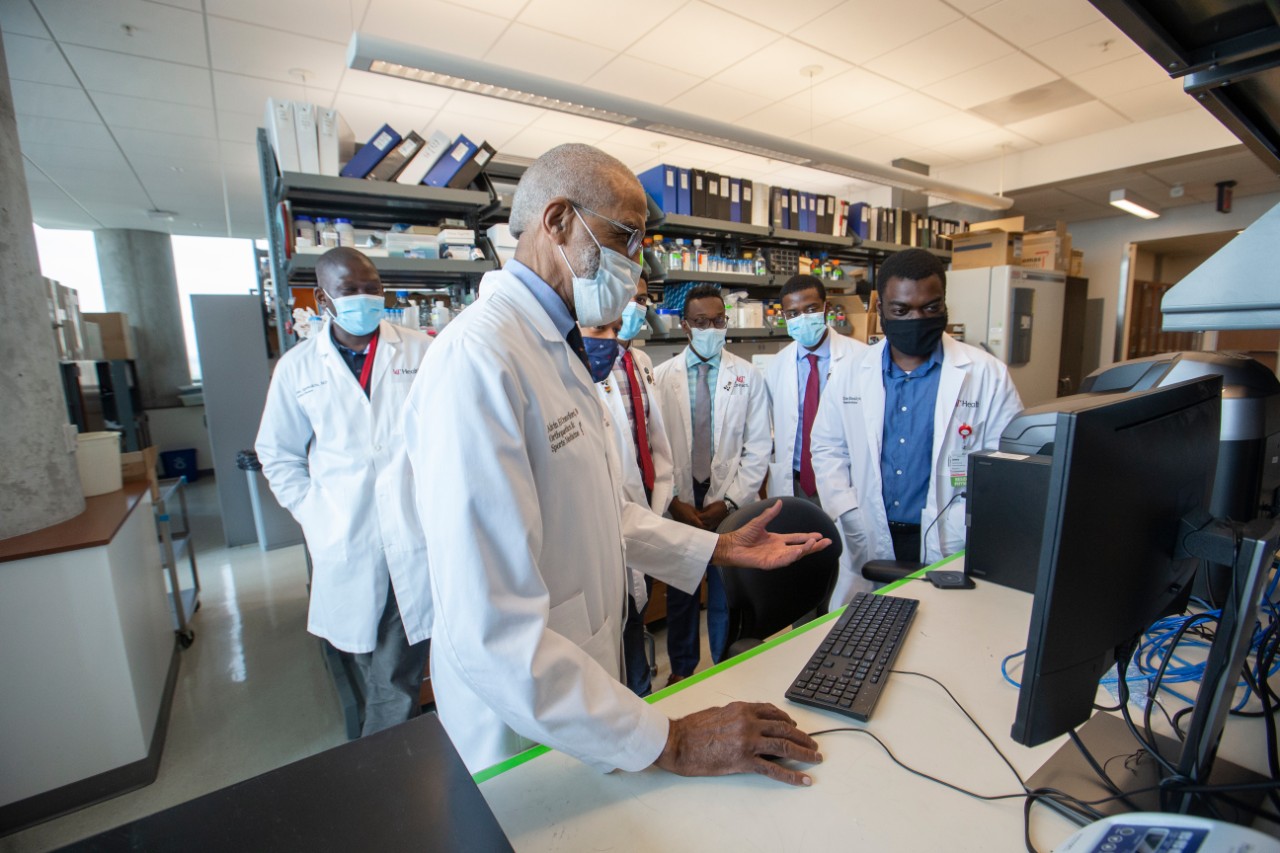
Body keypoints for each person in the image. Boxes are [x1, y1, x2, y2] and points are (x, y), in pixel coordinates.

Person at [404, 143, 826, 784]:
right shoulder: (479, 362)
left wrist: (718, 550)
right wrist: (673, 740)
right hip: (521, 717)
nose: (636, 263)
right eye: (626, 238)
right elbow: (490, 628)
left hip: (581, 687)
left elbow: (602, 513)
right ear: (557, 222)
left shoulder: (559, 347)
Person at [256, 246, 433, 736]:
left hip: (412, 533)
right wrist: (315, 513)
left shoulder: (421, 350)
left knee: (394, 679)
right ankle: (383, 762)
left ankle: (388, 773)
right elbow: (278, 454)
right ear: (322, 298)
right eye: (350, 290)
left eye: (372, 287)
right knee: (363, 663)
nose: (364, 298)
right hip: (345, 536)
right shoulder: (297, 369)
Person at [810, 248, 1023, 607]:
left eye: (930, 307)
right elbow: (828, 447)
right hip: (869, 530)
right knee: (864, 643)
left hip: (951, 535)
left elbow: (1008, 464)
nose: (917, 318)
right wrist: (848, 510)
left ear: (944, 305)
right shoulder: (849, 373)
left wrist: (966, 520)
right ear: (881, 312)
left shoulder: (986, 375)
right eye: (901, 310)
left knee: (942, 642)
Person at [653, 284, 772, 682]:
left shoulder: (748, 377)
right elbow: (655, 448)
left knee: (725, 591)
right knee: (681, 593)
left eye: (718, 321)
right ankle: (681, 675)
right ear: (685, 326)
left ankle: (723, 670)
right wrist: (672, 501)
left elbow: (757, 450)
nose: (710, 328)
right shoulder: (659, 378)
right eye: (701, 322)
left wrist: (733, 501)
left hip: (726, 501)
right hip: (680, 500)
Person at [580, 275, 668, 696]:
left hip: (646, 508)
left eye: (642, 299)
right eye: (604, 326)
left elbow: (653, 440)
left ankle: (641, 694)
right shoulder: (586, 368)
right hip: (605, 527)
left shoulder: (642, 363)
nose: (632, 309)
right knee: (617, 630)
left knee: (636, 614)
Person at [764, 274, 867, 503]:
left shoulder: (861, 359)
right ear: (784, 317)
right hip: (795, 480)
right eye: (793, 313)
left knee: (843, 538)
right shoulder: (777, 366)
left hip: (847, 481)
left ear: (826, 308)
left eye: (811, 309)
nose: (802, 318)